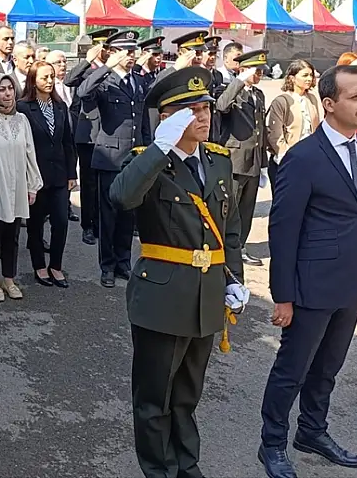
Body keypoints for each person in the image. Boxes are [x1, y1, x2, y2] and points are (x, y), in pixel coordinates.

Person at [109, 66, 244, 478]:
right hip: (162, 299)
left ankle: (187, 465)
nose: (203, 117)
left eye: (205, 108)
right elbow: (121, 197)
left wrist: (234, 278)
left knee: (186, 395)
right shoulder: (148, 162)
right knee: (154, 399)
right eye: (191, 109)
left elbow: (230, 228)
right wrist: (158, 150)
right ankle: (159, 470)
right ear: (168, 118)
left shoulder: (217, 162)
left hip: (205, 297)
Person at [259, 65, 357, 477]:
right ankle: (272, 442)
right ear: (329, 104)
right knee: (292, 370)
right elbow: (283, 229)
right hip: (310, 287)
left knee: (328, 367)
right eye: (355, 96)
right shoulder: (303, 158)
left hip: (349, 285)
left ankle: (312, 430)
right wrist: (283, 296)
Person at [76, 30, 152, 288]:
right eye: (126, 51)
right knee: (107, 216)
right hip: (109, 157)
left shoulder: (138, 81)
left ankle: (123, 262)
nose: (131, 56)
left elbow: (141, 121)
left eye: (133, 51)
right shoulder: (104, 81)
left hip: (133, 157)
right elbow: (82, 92)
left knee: (128, 214)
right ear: (115, 52)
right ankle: (107, 266)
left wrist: (148, 151)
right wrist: (105, 65)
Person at [0, 73, 42, 302]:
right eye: (1, 89)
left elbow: (30, 153)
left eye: (10, 89)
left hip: (17, 186)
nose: (6, 93)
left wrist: (33, 185)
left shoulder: (21, 120)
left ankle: (9, 279)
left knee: (12, 236)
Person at [18, 61, 76, 288]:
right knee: (35, 224)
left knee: (61, 221)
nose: (50, 81)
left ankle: (56, 266)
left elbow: (67, 142)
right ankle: (39, 266)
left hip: (59, 174)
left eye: (52, 76)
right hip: (35, 176)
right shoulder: (24, 107)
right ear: (34, 80)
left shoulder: (60, 106)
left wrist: (71, 173)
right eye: (44, 77)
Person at [215, 49, 269, 270]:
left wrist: (263, 163)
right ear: (244, 69)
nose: (260, 75)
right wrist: (239, 81)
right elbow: (221, 106)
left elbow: (261, 131)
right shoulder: (231, 90)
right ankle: (224, 248)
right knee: (231, 207)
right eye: (257, 70)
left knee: (247, 209)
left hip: (253, 161)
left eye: (262, 71)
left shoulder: (259, 94)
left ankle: (240, 247)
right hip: (236, 159)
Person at [66, 28, 116, 246]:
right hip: (88, 136)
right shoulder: (87, 70)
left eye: (108, 48)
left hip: (107, 132)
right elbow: (69, 80)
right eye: (103, 48)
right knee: (88, 184)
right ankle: (88, 225)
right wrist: (87, 61)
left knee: (105, 185)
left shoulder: (113, 70)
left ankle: (102, 224)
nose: (106, 52)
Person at [265, 59, 321, 191]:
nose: (309, 79)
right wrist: (286, 158)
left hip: (309, 159)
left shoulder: (312, 99)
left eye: (311, 75)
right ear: (292, 78)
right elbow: (274, 134)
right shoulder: (282, 101)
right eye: (305, 75)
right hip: (288, 160)